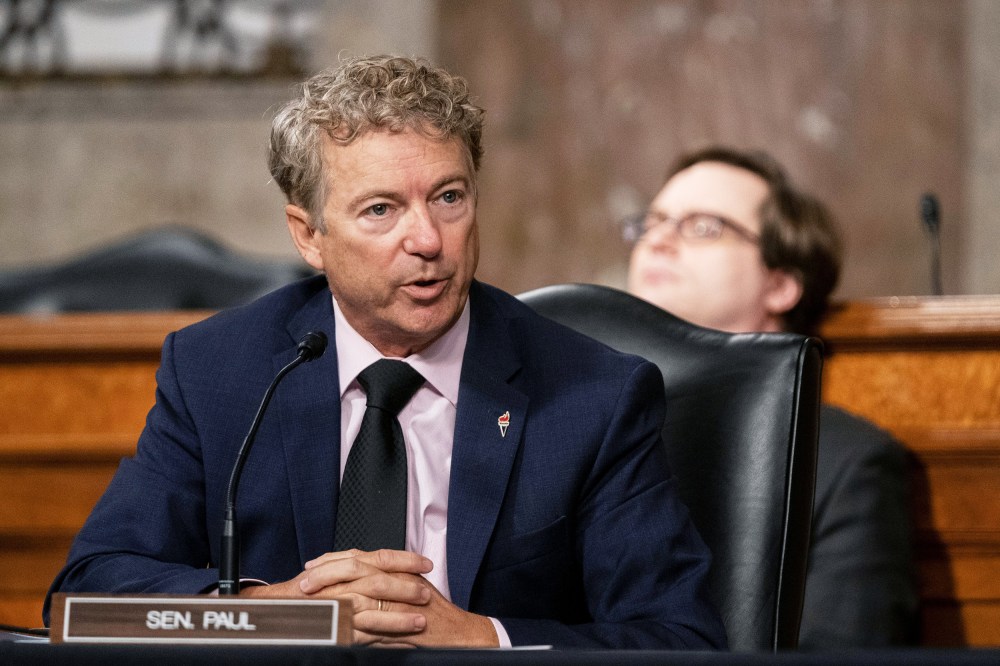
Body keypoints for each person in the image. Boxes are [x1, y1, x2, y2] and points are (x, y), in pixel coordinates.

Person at [43, 55, 726, 650]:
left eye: (449, 198)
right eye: (381, 210)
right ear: (308, 236)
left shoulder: (593, 395)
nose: (428, 239)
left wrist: (480, 636)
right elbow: (89, 592)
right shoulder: (220, 372)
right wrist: (271, 614)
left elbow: (678, 636)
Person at [626, 146, 919, 649]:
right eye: (651, 223)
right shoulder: (583, 425)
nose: (658, 242)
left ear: (780, 284)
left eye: (703, 227)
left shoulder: (849, 464)